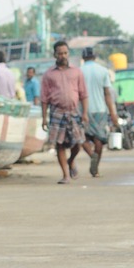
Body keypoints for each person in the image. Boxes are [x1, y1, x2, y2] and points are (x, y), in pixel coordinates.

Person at [40, 40, 90, 185]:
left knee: (78, 143)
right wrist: (44, 118)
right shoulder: (48, 75)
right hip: (57, 112)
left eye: (65, 53)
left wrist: (85, 113)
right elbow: (44, 98)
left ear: (68, 53)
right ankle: (65, 175)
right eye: (60, 53)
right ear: (55, 54)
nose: (63, 56)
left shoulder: (76, 72)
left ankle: (71, 160)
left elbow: (83, 94)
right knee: (59, 145)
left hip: (74, 112)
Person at [79, 47, 118, 177]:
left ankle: (91, 155)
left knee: (81, 137)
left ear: (83, 58)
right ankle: (95, 169)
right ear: (95, 57)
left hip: (83, 109)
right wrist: (113, 113)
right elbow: (107, 93)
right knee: (99, 139)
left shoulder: (78, 72)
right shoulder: (103, 71)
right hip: (100, 109)